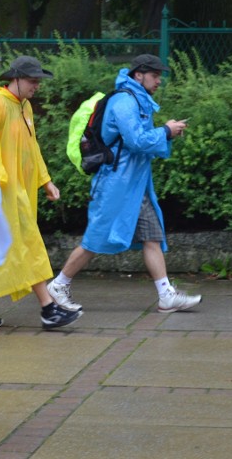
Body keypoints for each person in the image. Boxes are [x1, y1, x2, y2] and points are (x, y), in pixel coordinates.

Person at [47, 54, 200, 314]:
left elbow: (138, 142)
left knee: (152, 236)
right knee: (95, 238)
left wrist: (166, 132)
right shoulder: (124, 101)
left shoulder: (135, 100)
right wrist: (165, 131)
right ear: (138, 74)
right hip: (115, 185)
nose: (159, 80)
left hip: (134, 185)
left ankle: (166, 295)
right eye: (154, 75)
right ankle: (58, 285)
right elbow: (136, 141)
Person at [0, 56, 81, 330]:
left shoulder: (23, 107)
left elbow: (30, 148)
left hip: (15, 191)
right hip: (3, 192)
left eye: (38, 81)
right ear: (17, 79)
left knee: (4, 248)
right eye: (33, 81)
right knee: (28, 245)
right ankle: (49, 309)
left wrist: (46, 180)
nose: (37, 86)